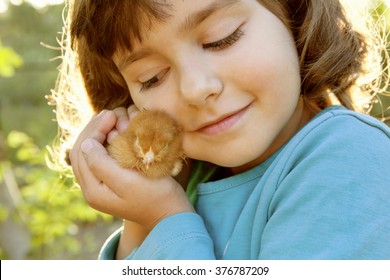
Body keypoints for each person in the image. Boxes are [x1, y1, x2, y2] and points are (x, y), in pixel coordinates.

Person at [51, 0, 390, 259]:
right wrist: (142, 209)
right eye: (151, 77)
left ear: (293, 14)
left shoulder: (348, 158)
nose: (196, 88)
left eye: (222, 39)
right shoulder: (190, 184)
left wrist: (165, 219)